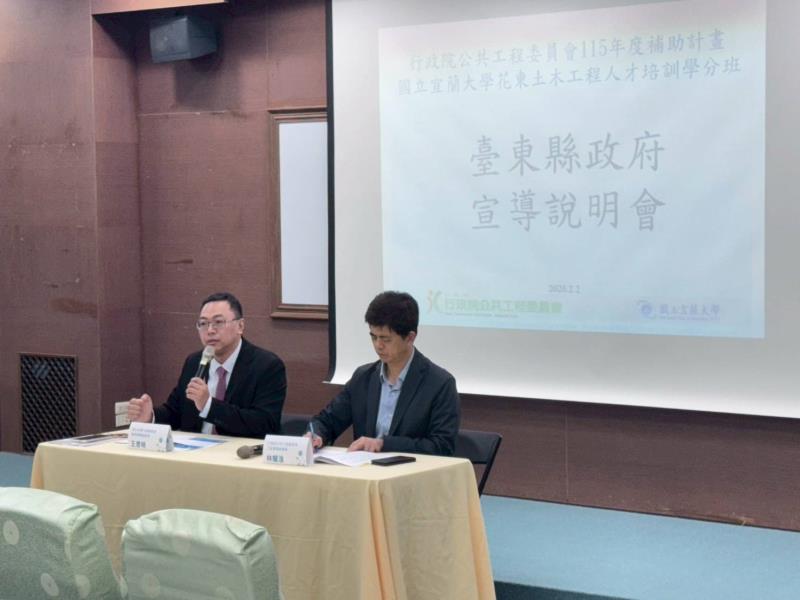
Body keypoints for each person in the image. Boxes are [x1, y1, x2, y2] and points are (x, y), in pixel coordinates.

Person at [309, 291, 459, 456]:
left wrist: (383, 444)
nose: (378, 345)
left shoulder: (440, 384)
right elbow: (327, 420)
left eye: (386, 339)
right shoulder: (363, 377)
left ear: (410, 337)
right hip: (365, 469)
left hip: (411, 471)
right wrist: (316, 434)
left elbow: (441, 446)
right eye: (373, 337)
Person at [127, 292, 286, 438]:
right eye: (203, 323)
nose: (210, 330)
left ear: (240, 326)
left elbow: (265, 423)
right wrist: (150, 416)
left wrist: (208, 405)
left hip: (239, 455)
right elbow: (175, 413)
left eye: (218, 322)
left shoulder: (266, 366)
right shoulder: (194, 362)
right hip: (196, 453)